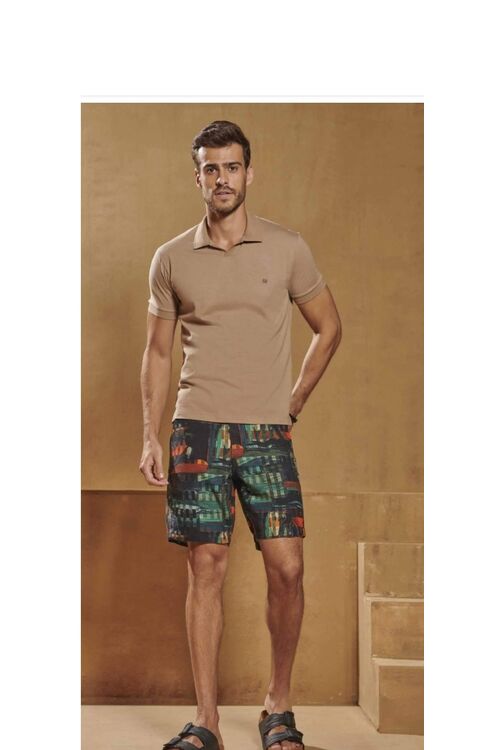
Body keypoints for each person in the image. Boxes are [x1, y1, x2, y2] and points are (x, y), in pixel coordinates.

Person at [140, 120, 342, 750]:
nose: (222, 178)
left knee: (288, 567)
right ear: (197, 176)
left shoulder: (287, 248)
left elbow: (329, 327)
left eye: (231, 167)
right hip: (196, 430)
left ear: (248, 173)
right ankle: (206, 721)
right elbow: (157, 352)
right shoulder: (171, 257)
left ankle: (277, 707)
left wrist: (294, 401)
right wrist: (150, 435)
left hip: (265, 433)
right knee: (206, 567)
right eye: (211, 168)